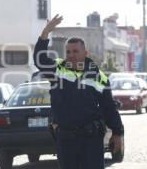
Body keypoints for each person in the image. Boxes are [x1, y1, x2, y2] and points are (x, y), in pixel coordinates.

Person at [33, 14, 124, 169]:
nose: (71, 55)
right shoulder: (57, 69)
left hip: (92, 139)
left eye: (75, 51)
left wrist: (117, 133)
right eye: (68, 52)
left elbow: (109, 107)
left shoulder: (98, 77)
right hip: (66, 139)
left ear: (85, 53)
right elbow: (39, 60)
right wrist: (45, 33)